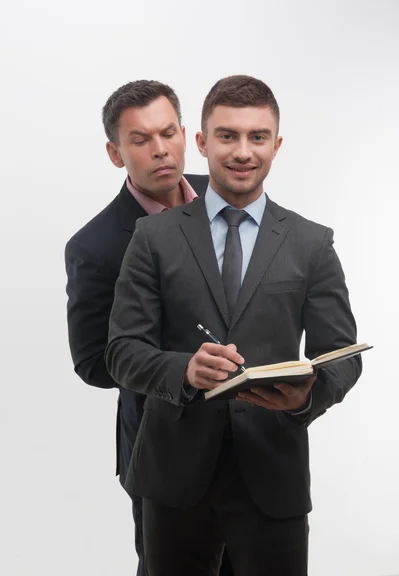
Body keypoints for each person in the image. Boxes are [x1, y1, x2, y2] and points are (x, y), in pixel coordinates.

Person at [106, 75, 362, 576]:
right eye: (227, 136)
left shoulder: (312, 243)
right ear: (201, 143)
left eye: (257, 137)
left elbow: (343, 356)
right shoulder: (153, 237)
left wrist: (308, 396)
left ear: (277, 145)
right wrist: (184, 370)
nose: (242, 151)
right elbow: (122, 351)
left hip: (273, 472)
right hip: (174, 478)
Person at [65, 79, 233, 575]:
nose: (160, 150)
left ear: (185, 134)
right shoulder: (94, 247)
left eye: (167, 132)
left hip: (250, 435)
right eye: (140, 140)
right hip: (163, 448)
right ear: (116, 153)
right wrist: (180, 368)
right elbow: (94, 361)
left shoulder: (226, 191)